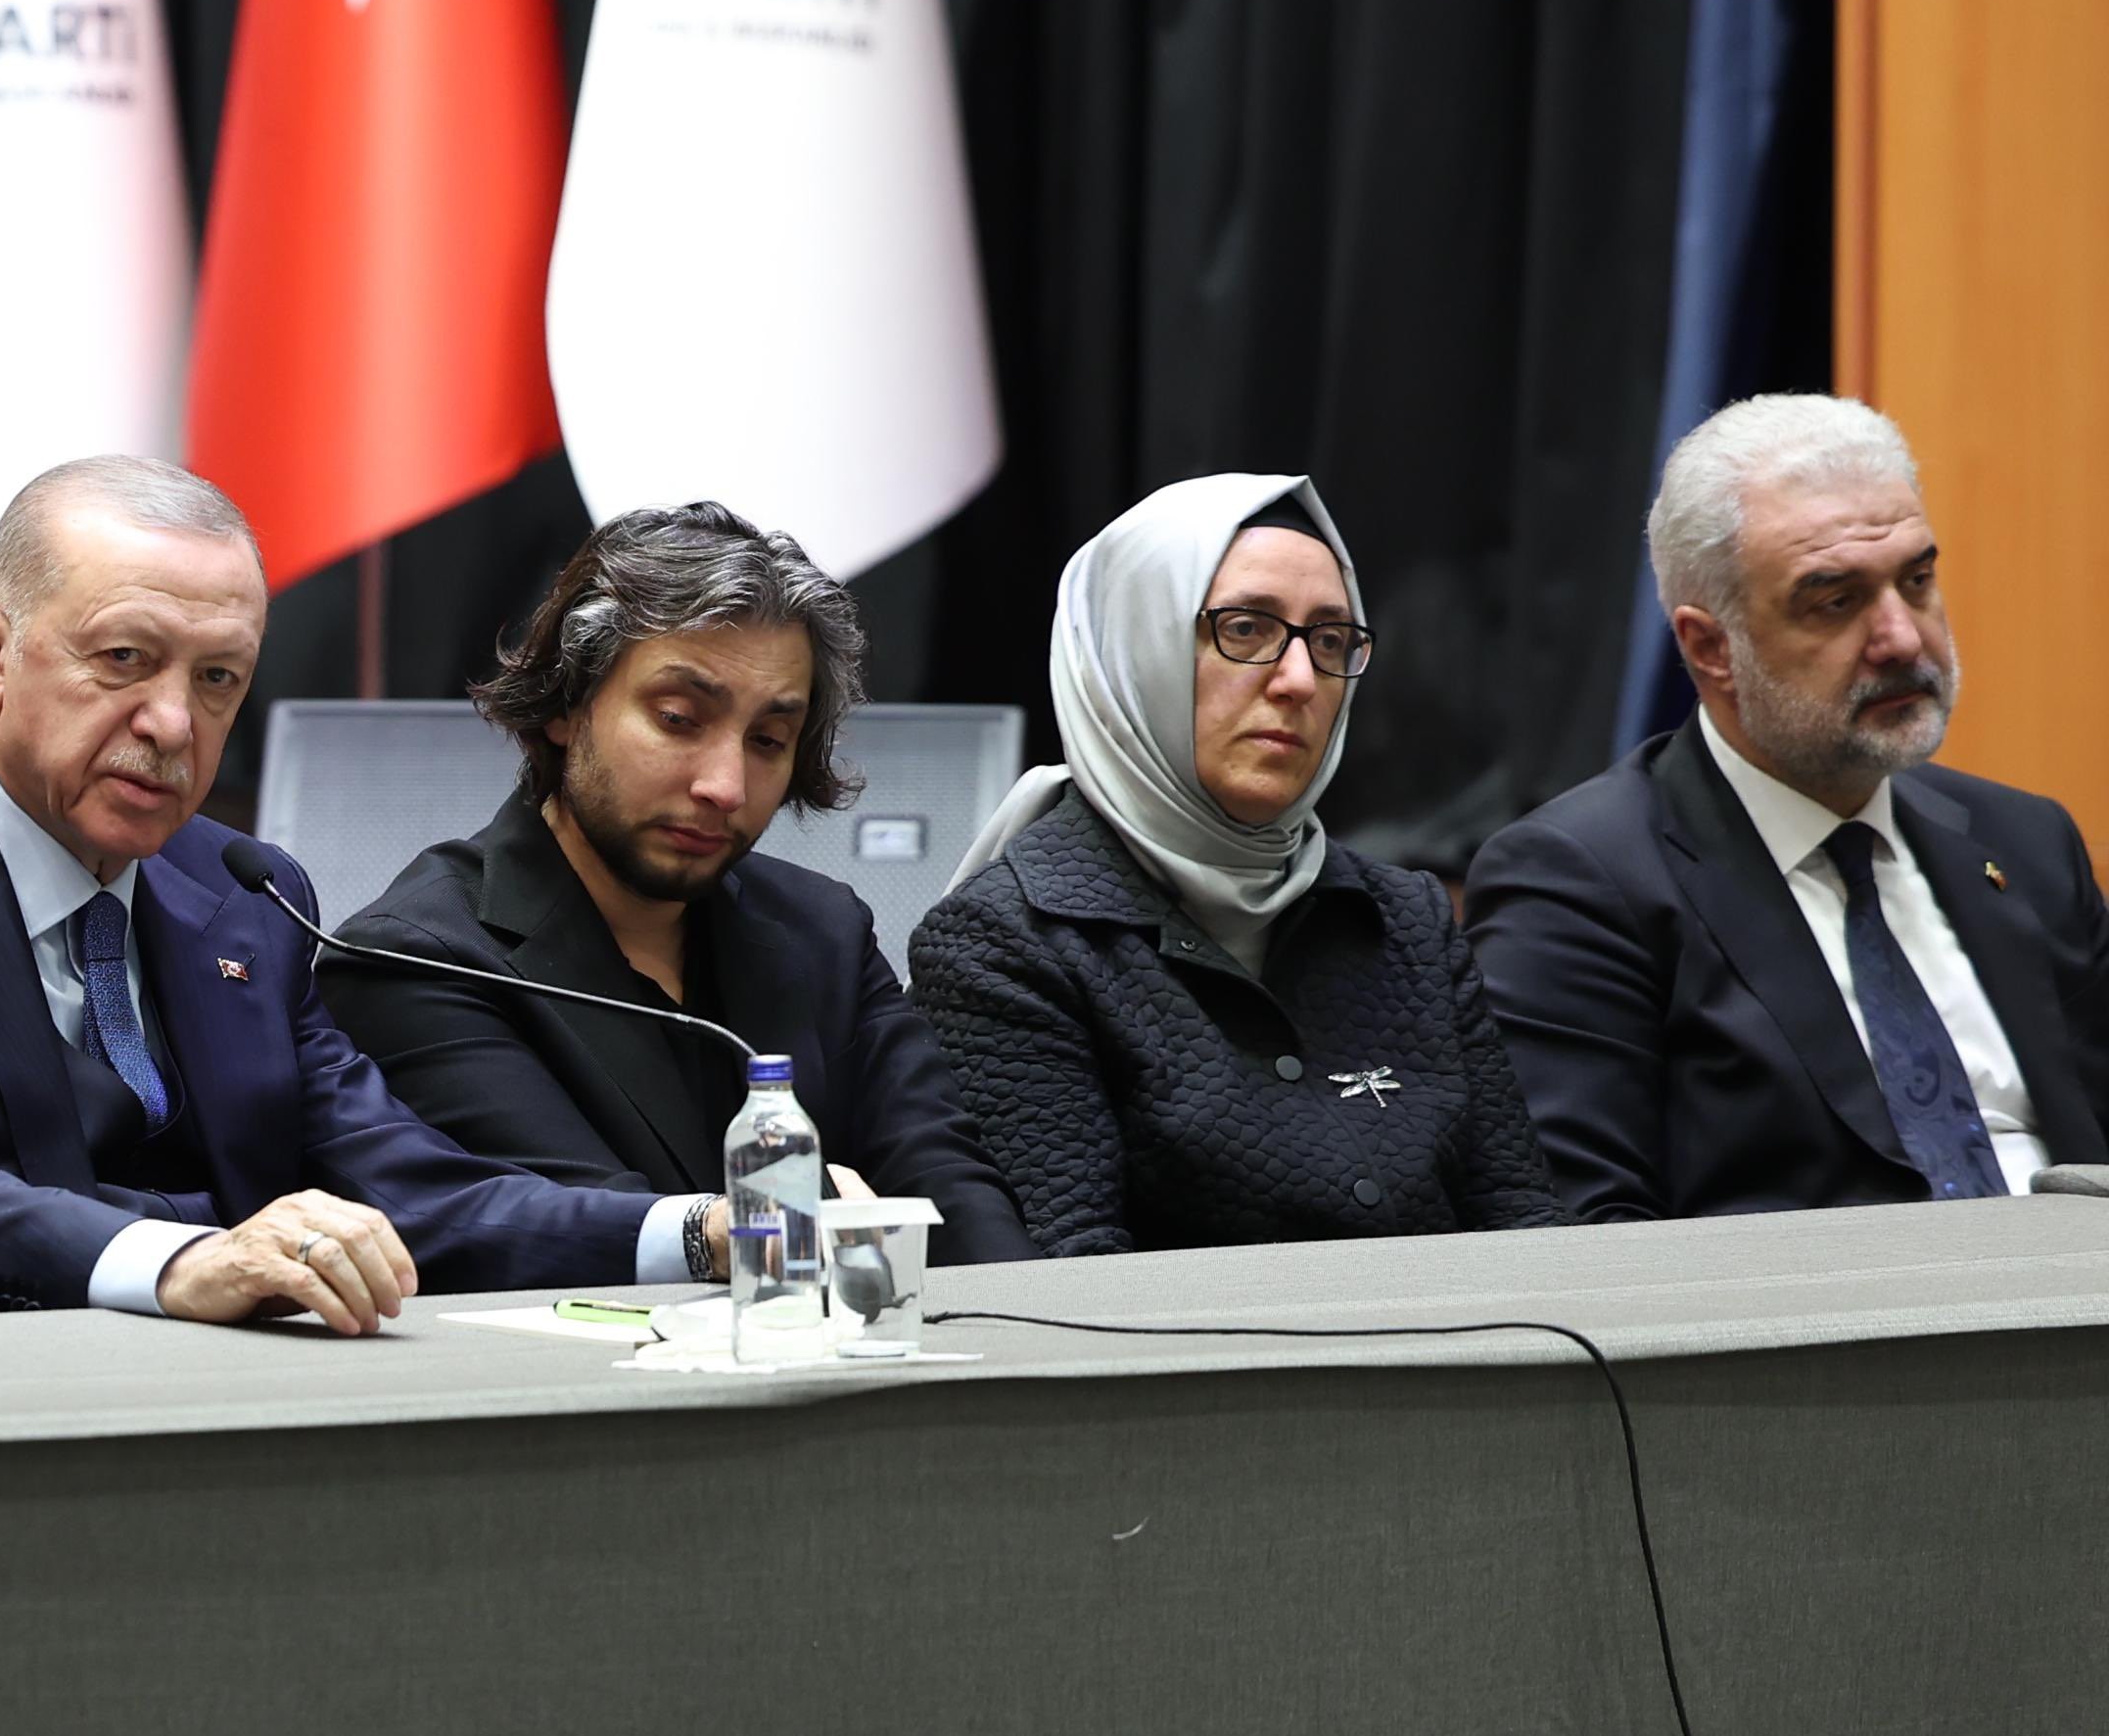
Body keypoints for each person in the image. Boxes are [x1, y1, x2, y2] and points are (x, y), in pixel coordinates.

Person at [0, 457, 734, 1329]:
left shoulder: (246, 896)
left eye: (218, 679)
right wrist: (184, 1261)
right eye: (124, 659)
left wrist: (702, 1233)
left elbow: (408, 1189)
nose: (174, 724)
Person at [324, 504, 1029, 1260]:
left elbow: (948, 1186)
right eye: (678, 718)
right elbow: (575, 1235)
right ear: (568, 704)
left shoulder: (823, 927)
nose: (726, 786)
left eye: (768, 740)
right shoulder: (418, 956)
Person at [1468, 396, 2109, 1219]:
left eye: (1916, 580)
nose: (1902, 639)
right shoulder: (1580, 882)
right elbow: (1586, 1239)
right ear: (1710, 647)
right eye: (1834, 601)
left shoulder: (2025, 842)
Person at [904, 477, 1565, 1255]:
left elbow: (1527, 1226)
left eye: (1330, 641)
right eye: (1246, 629)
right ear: (1136, 651)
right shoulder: (1004, 945)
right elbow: (1073, 1279)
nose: (1299, 680)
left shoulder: (1405, 919)